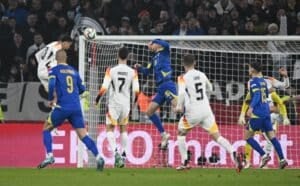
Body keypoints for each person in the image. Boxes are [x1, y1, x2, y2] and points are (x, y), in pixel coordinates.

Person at [37, 49, 105, 171]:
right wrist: (73, 94)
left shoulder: (54, 70)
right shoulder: (74, 71)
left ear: (56, 59)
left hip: (62, 106)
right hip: (76, 107)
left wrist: (51, 98)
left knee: (46, 128)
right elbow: (83, 89)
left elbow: (51, 84)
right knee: (83, 135)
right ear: (66, 58)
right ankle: (99, 157)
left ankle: (50, 156)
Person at [175, 54, 242, 171]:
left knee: (181, 133)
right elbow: (210, 88)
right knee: (217, 136)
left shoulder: (182, 78)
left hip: (193, 111)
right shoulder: (202, 74)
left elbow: (181, 93)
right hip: (206, 109)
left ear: (183, 64)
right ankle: (233, 152)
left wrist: (179, 106)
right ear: (195, 62)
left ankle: (184, 161)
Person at [95, 47, 139, 168]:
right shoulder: (133, 72)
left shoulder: (111, 70)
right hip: (126, 104)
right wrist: (134, 103)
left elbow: (104, 87)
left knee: (109, 128)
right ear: (128, 57)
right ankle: (123, 154)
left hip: (114, 103)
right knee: (124, 129)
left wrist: (97, 99)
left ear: (117, 56)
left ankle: (115, 153)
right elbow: (136, 90)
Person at [239, 68, 290, 168]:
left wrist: (285, 77)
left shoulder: (254, 82)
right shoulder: (266, 81)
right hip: (267, 113)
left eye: (249, 68)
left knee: (248, 137)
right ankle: (282, 159)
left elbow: (285, 85)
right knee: (272, 138)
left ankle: (263, 156)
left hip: (259, 113)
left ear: (253, 70)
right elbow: (252, 97)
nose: (248, 70)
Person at [134, 39, 177, 149]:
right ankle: (164, 134)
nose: (150, 46)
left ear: (157, 45)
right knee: (149, 112)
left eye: (152, 44)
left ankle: (197, 116)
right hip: (160, 89)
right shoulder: (153, 59)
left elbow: (165, 43)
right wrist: (139, 68)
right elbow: (147, 72)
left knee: (178, 108)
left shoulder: (165, 51)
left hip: (167, 85)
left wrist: (153, 41)